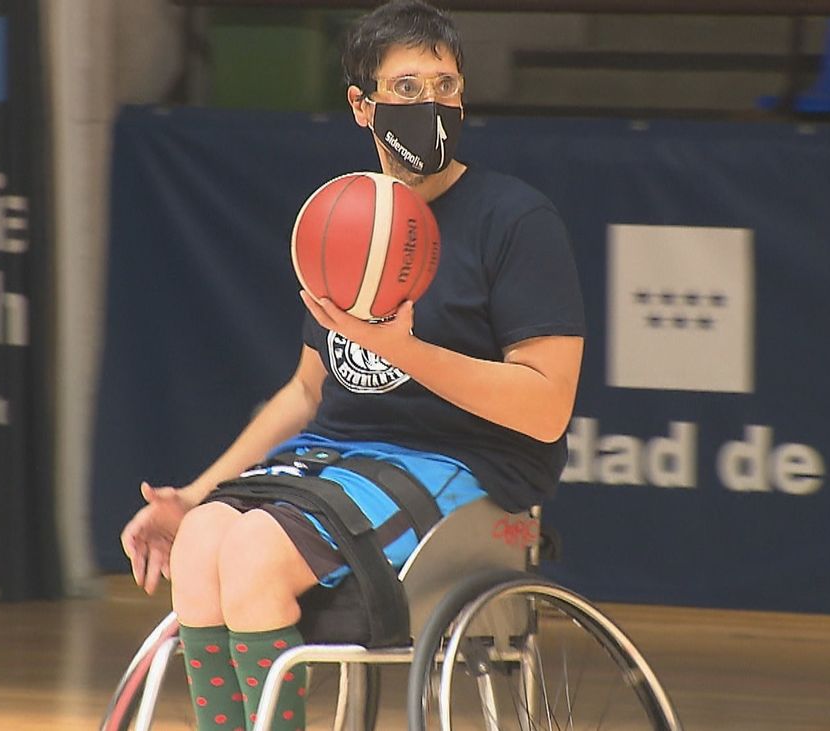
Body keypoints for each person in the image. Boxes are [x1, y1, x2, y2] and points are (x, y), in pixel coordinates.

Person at [120, 1, 585, 728]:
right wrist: (193, 493)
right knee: (207, 537)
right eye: (406, 87)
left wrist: (408, 352)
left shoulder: (515, 220)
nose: (429, 103)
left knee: (252, 556)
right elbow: (306, 391)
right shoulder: (346, 218)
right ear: (360, 106)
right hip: (338, 457)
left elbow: (548, 405)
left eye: (446, 85)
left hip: (465, 466)